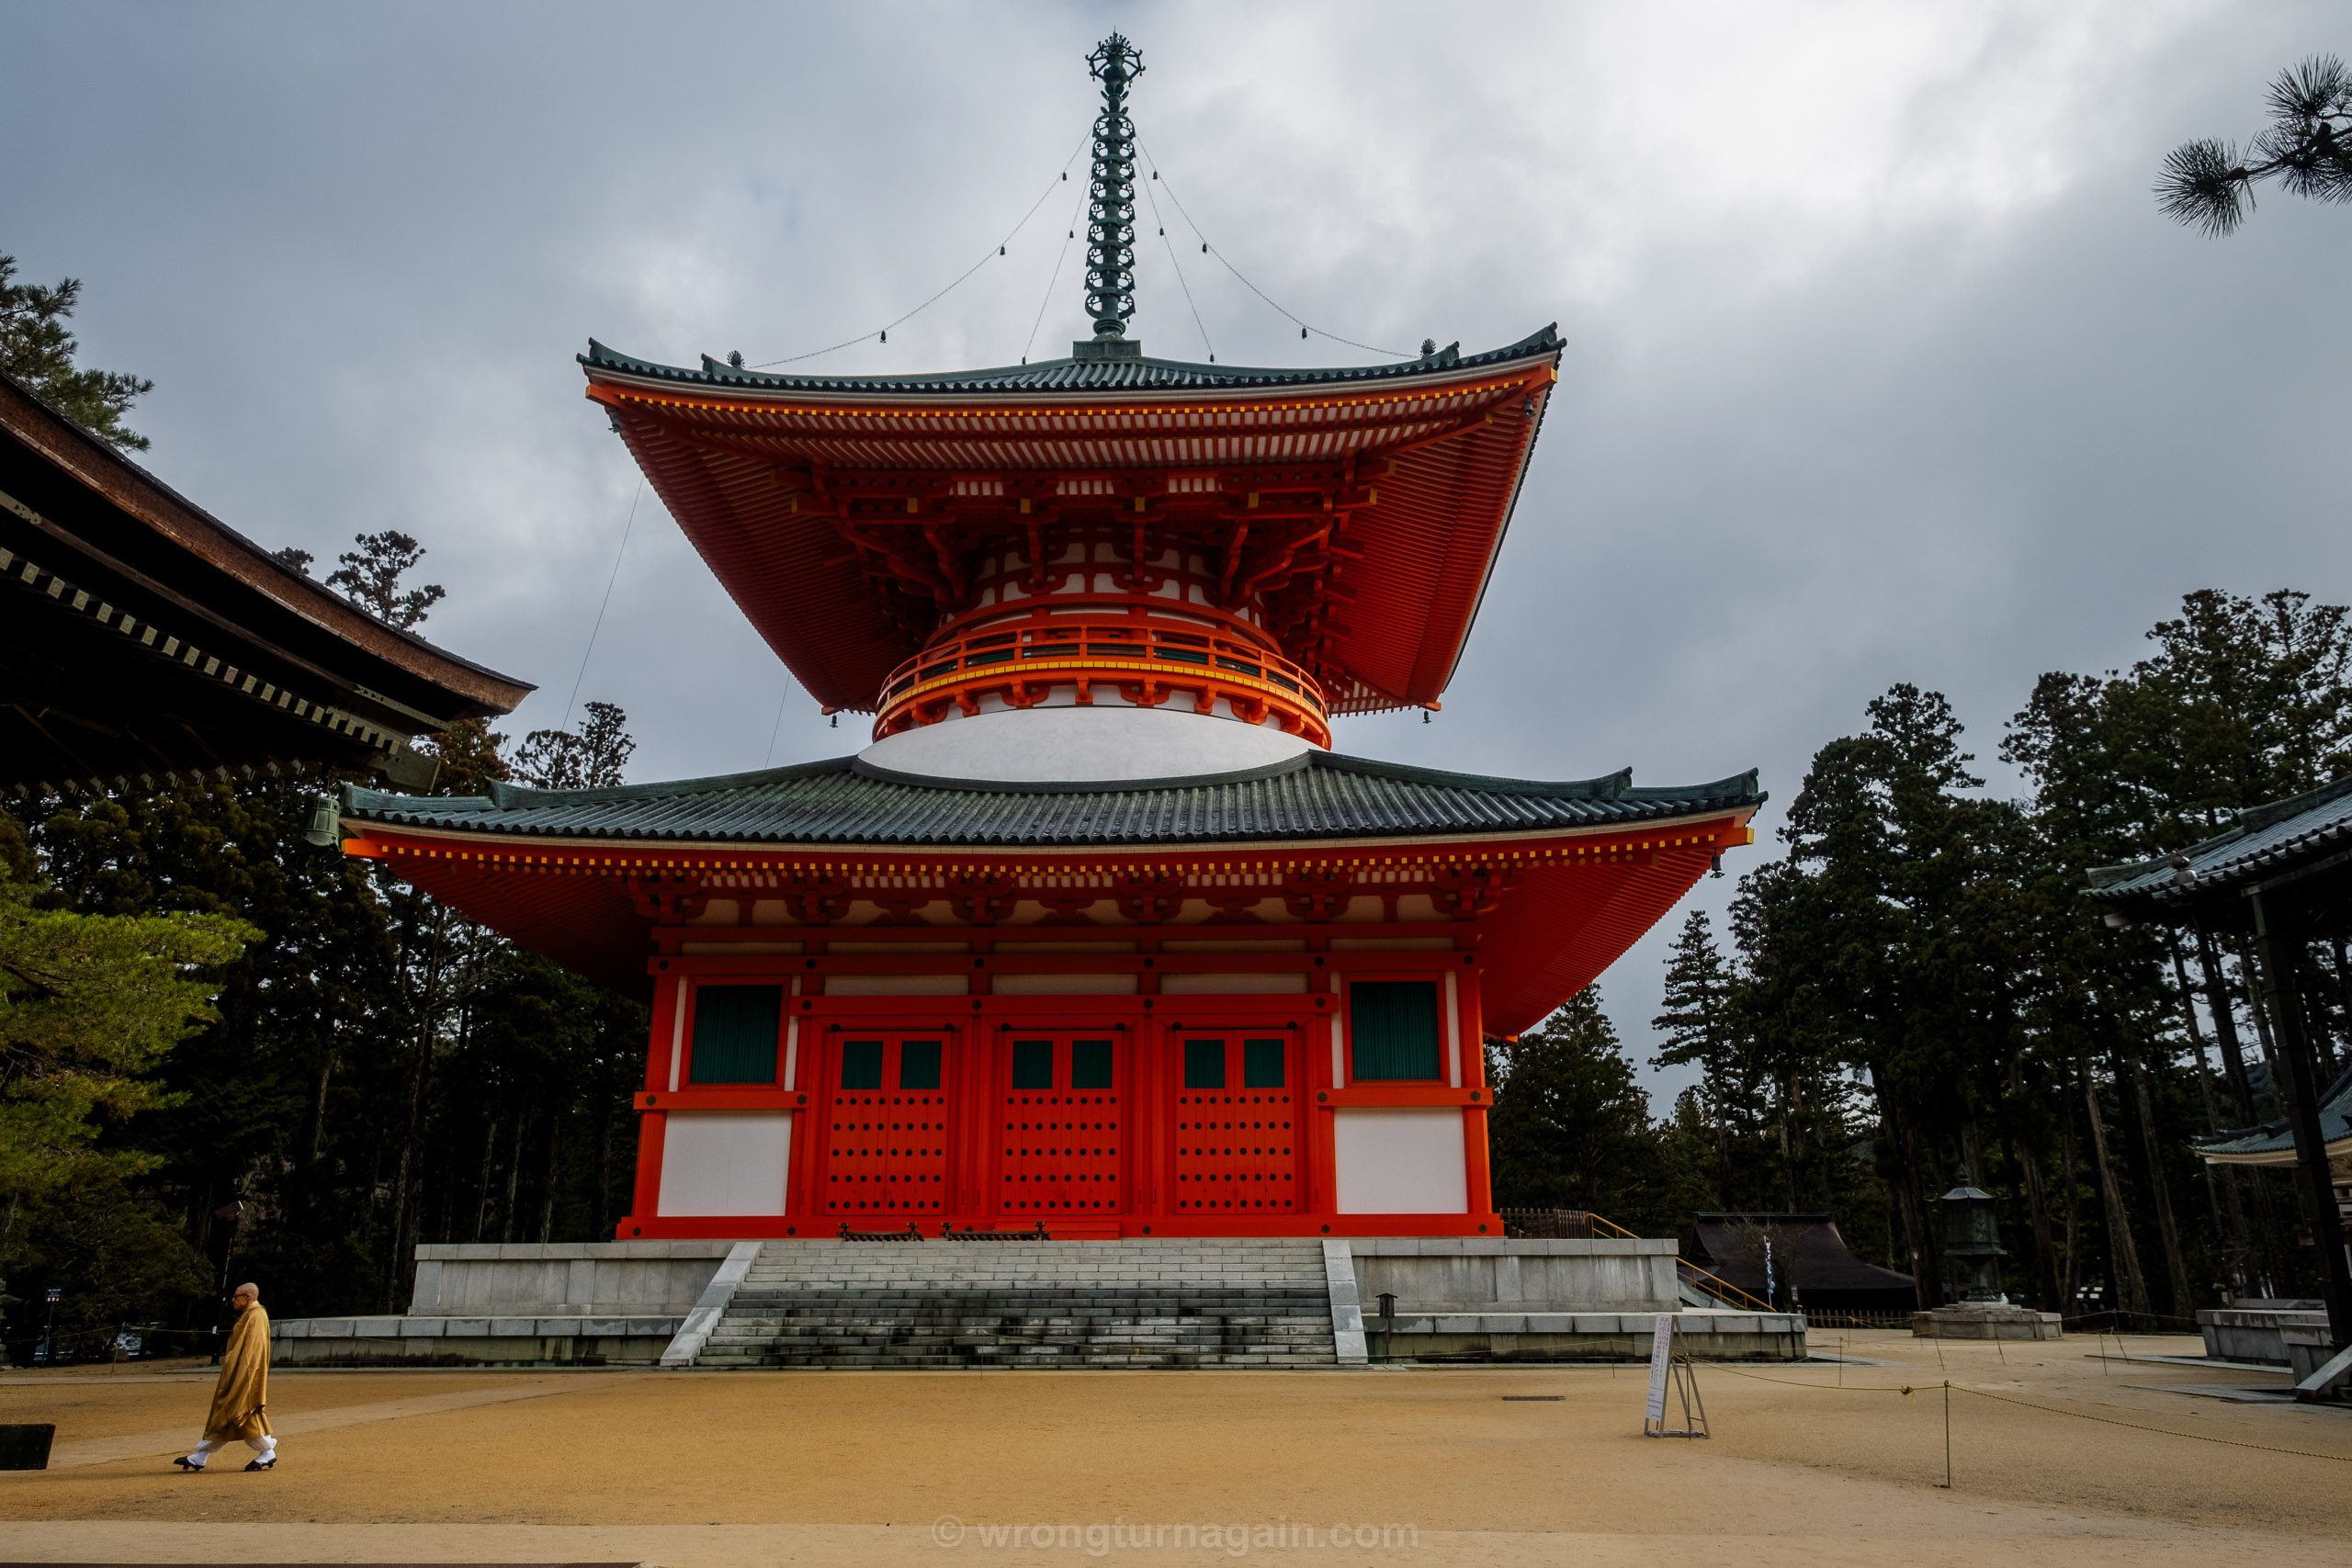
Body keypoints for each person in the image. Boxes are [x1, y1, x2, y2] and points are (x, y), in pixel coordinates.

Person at [175, 1281, 276, 1472]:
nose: (233, 1300)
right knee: (233, 1415)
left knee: (238, 1413)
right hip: (238, 1372)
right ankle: (201, 1455)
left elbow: (252, 1354)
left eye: (236, 1296)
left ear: (248, 1297)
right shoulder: (251, 1315)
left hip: (244, 1374)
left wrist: (242, 1377)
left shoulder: (256, 1316)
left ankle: (266, 1451)